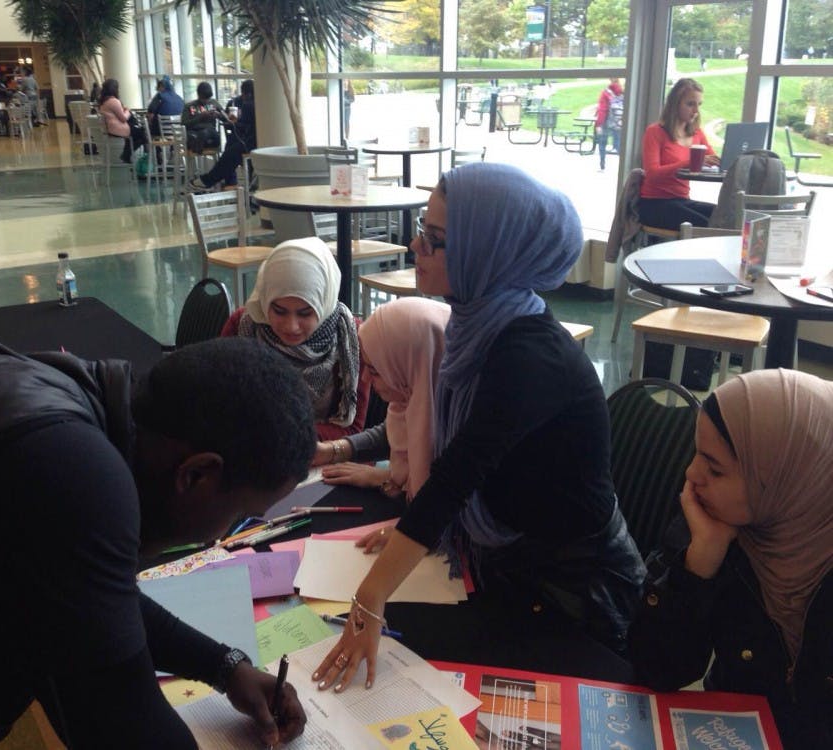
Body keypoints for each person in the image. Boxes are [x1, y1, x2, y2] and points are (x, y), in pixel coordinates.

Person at [0, 64, 310, 749]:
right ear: (197, 472)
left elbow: (90, 589)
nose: (222, 535)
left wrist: (223, 663)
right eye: (239, 515)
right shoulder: (77, 471)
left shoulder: (81, 393)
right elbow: (118, 711)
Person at [311, 163, 646, 692]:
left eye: (436, 239)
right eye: (422, 229)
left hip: (576, 595)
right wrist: (409, 532)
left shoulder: (528, 355)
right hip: (510, 567)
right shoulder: (475, 327)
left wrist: (369, 597)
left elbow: (454, 478)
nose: (415, 247)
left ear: (489, 252)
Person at [629, 369, 833, 747]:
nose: (691, 474)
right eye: (696, 455)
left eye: (715, 467)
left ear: (780, 479)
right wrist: (698, 564)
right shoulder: (713, 523)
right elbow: (655, 671)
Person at [220, 236, 371, 441]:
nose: (291, 326)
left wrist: (277, 435)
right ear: (265, 302)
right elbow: (220, 402)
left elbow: (352, 429)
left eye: (305, 313)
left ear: (324, 304)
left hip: (323, 456)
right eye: (279, 311)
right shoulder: (243, 325)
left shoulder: (350, 337)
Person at [316, 297, 450, 513]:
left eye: (376, 371)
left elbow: (439, 504)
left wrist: (385, 479)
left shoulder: (464, 424)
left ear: (412, 367)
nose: (366, 379)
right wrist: (333, 450)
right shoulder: (417, 396)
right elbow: (397, 431)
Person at [638, 77, 720, 230]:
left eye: (699, 105)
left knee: (723, 216)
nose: (696, 111)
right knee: (708, 225)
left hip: (682, 200)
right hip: (654, 203)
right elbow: (652, 173)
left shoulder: (697, 134)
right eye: (690, 104)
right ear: (675, 104)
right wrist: (691, 162)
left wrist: (726, 160)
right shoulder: (655, 132)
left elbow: (712, 161)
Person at [188, 79, 256, 193]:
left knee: (230, 152)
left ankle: (210, 180)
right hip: (253, 140)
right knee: (231, 149)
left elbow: (244, 126)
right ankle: (219, 181)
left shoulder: (248, 105)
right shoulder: (258, 103)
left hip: (251, 142)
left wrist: (232, 122)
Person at [97, 78, 148, 164]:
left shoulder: (103, 101)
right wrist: (127, 111)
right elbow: (123, 118)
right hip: (118, 129)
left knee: (138, 133)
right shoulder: (113, 101)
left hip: (112, 128)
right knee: (142, 134)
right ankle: (128, 155)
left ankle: (127, 155)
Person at [181, 81, 225, 154]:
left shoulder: (214, 103)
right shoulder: (189, 106)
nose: (206, 101)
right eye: (204, 98)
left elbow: (225, 118)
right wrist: (200, 116)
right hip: (195, 132)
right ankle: (198, 144)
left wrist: (218, 115)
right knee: (192, 136)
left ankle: (196, 145)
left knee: (206, 133)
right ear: (198, 95)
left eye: (208, 98)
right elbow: (184, 124)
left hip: (210, 133)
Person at [594, 77, 623, 172]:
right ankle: (623, 167)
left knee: (602, 143)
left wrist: (598, 124)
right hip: (618, 122)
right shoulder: (622, 92)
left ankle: (602, 165)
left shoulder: (606, 93)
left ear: (610, 80)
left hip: (606, 122)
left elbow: (602, 109)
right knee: (618, 145)